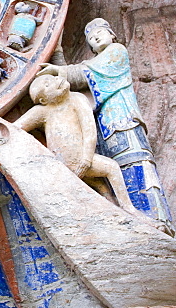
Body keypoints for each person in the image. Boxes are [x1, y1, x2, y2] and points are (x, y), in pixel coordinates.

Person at [39, 18, 172, 227]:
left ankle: (156, 217)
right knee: (114, 170)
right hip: (105, 124)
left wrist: (60, 71)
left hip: (123, 120)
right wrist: (57, 57)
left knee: (135, 162)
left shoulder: (116, 52)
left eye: (100, 32)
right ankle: (129, 216)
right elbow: (69, 88)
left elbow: (84, 73)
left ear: (113, 35)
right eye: (91, 38)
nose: (96, 37)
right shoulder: (96, 68)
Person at [15, 73, 140, 215]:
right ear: (43, 100)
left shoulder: (76, 99)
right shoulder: (42, 111)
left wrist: (86, 159)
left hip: (81, 160)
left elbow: (89, 129)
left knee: (107, 172)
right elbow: (15, 129)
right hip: (63, 165)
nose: (57, 81)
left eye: (54, 78)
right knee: (110, 169)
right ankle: (126, 208)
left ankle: (122, 208)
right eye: (48, 84)